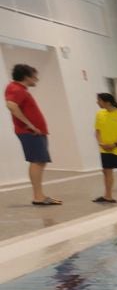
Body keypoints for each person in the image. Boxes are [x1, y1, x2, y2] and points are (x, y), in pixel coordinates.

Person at [7, 64, 58, 206]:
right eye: (34, 76)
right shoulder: (16, 89)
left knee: (40, 161)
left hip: (35, 132)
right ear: (26, 77)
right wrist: (30, 125)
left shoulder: (20, 89)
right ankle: (38, 197)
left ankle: (39, 195)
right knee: (37, 161)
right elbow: (11, 106)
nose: (36, 79)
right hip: (29, 132)